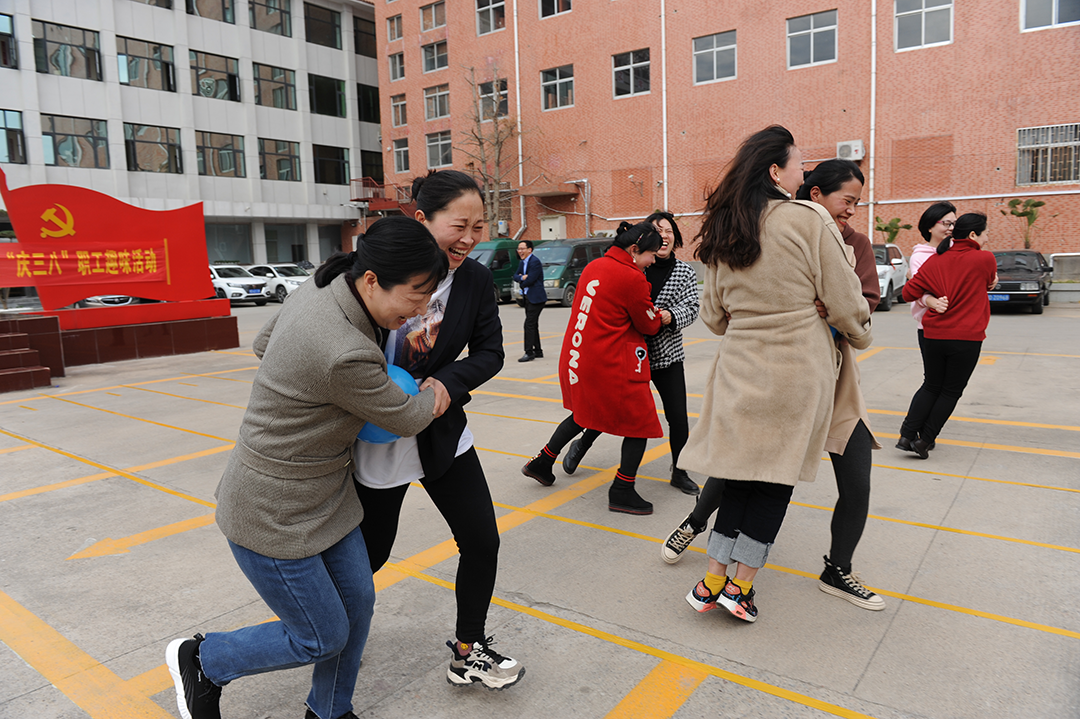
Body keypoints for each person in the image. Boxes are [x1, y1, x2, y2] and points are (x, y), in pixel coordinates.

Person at [165, 217, 450, 719]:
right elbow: (406, 416)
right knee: (319, 635)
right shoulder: (343, 351)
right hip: (275, 511)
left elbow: (261, 345)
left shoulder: (323, 284)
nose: (421, 309)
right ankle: (205, 659)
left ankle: (329, 710)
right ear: (371, 281)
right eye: (415, 294)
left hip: (327, 494)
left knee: (357, 606)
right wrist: (436, 393)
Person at [672, 126, 872, 623]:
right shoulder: (807, 219)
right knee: (774, 484)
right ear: (776, 171)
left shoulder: (724, 226)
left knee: (739, 478)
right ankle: (740, 588)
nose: (805, 174)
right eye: (800, 164)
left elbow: (714, 317)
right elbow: (847, 301)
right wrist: (859, 332)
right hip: (796, 371)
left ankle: (711, 578)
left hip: (739, 368)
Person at [351, 169, 524, 691]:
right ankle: (330, 635)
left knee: (481, 540)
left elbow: (490, 352)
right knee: (371, 553)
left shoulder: (472, 278)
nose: (470, 238)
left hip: (440, 428)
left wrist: (448, 383)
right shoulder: (372, 268)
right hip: (375, 436)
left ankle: (469, 649)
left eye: (480, 225)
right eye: (459, 225)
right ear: (422, 219)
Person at [521, 221, 665, 515]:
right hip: (611, 363)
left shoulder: (595, 266)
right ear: (635, 250)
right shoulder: (631, 277)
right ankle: (622, 489)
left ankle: (543, 461)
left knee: (584, 414)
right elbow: (648, 324)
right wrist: (660, 315)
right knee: (641, 424)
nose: (653, 260)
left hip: (580, 356)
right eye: (651, 254)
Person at [560, 211, 701, 496]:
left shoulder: (684, 271)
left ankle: (680, 470)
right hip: (627, 356)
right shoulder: (637, 263)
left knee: (677, 416)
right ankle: (581, 446)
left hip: (666, 354)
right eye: (657, 229)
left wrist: (670, 316)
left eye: (669, 230)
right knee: (607, 410)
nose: (664, 235)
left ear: (676, 236)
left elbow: (692, 307)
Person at [897, 213, 997, 459]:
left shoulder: (935, 261)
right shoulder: (984, 258)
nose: (987, 239)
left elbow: (908, 293)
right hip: (966, 338)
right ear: (973, 235)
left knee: (931, 385)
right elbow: (987, 283)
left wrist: (930, 298)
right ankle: (925, 440)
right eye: (985, 234)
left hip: (933, 335)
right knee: (951, 391)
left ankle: (907, 435)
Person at [896, 201, 956, 455]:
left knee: (939, 384)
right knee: (934, 383)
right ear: (930, 226)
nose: (951, 228)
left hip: (953, 325)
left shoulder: (954, 251)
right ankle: (911, 434)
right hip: (929, 325)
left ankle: (918, 435)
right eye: (946, 223)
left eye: (955, 223)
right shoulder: (922, 255)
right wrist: (931, 301)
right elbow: (919, 288)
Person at [513, 239, 547, 362]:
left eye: (522, 249)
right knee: (533, 325)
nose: (520, 251)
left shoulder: (535, 262)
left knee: (528, 325)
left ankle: (529, 352)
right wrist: (522, 277)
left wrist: (522, 281)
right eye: (519, 249)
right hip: (527, 297)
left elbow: (531, 280)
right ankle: (538, 351)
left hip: (536, 298)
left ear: (529, 250)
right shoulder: (522, 262)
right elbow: (515, 276)